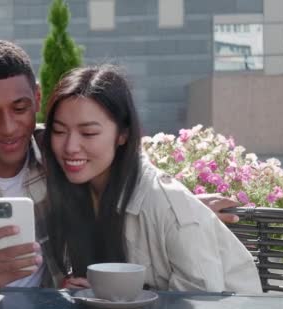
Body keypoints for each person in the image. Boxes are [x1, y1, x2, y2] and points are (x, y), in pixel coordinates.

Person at [0, 40, 245, 298]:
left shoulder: (58, 150)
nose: (10, 127)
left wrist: (183, 208)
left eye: (19, 108)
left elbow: (124, 168)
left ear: (37, 99)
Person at [42, 65, 261, 293]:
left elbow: (201, 304)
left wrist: (116, 296)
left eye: (88, 133)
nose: (70, 147)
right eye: (59, 131)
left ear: (123, 134)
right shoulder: (79, 192)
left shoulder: (167, 204)